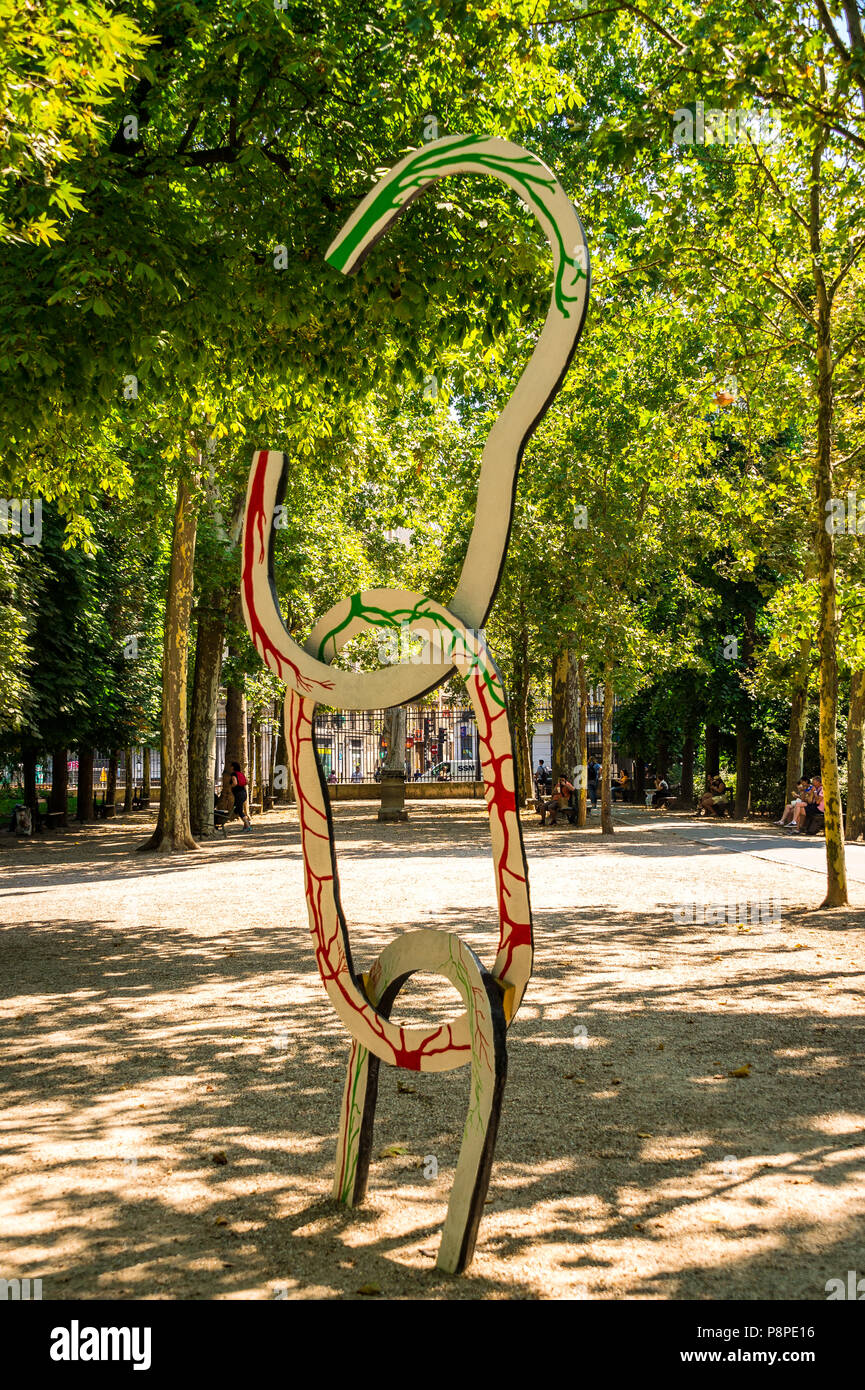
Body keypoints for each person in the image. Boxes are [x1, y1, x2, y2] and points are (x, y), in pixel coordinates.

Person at [230, 761, 252, 831]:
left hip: (238, 794)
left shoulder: (233, 774)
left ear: (233, 767)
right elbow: (247, 782)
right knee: (238, 809)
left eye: (231, 766)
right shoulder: (241, 774)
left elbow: (235, 783)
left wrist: (231, 786)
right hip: (243, 793)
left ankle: (248, 825)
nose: (230, 767)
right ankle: (246, 825)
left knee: (239, 810)